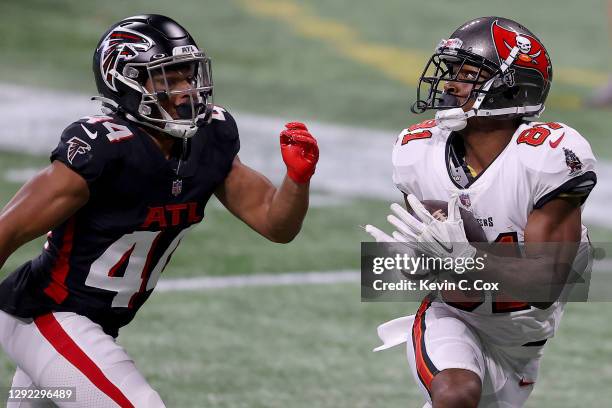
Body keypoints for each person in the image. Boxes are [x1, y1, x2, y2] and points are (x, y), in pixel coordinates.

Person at [0, 14, 318, 407]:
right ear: (126, 83)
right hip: (46, 314)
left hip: (92, 325)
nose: (186, 90)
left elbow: (275, 223)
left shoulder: (207, 140)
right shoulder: (104, 148)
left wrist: (297, 179)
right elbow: (6, 232)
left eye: (188, 75)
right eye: (168, 78)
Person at [366, 17, 597, 408]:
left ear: (512, 88)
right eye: (451, 72)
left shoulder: (547, 157)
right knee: (455, 395)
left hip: (523, 340)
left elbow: (544, 285)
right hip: (454, 318)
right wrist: (415, 262)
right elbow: (425, 260)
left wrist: (467, 257)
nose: (451, 84)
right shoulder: (417, 151)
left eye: (469, 74)